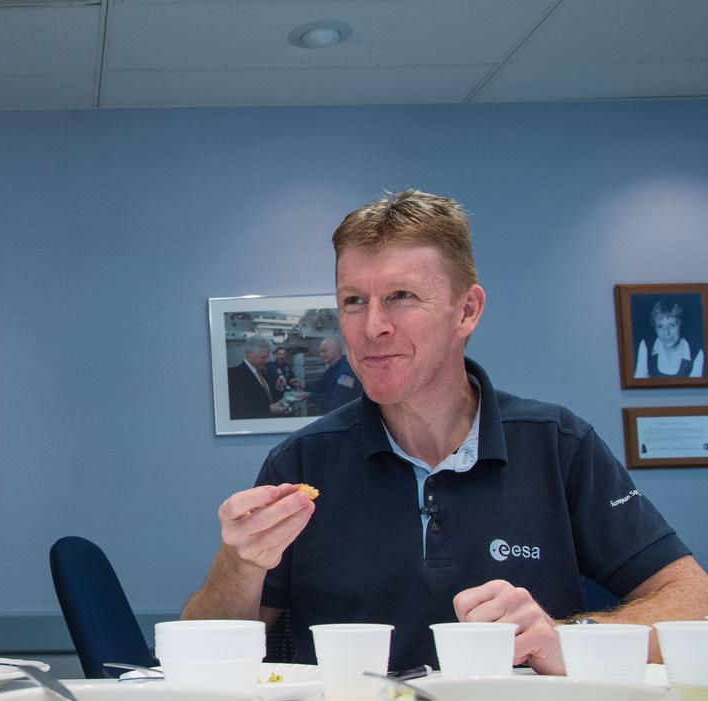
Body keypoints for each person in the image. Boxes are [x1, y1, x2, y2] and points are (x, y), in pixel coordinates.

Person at [183, 189, 708, 673]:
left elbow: (694, 602)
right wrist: (238, 564)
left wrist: (563, 638)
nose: (372, 328)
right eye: (353, 301)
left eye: (402, 296)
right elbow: (200, 654)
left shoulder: (557, 444)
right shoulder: (301, 463)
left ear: (467, 311)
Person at [634, 300, 705, 378]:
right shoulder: (646, 346)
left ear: (681, 325)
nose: (666, 333)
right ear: (655, 328)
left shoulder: (697, 352)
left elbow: (695, 389)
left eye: (672, 325)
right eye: (660, 326)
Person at [292, 336, 362, 414]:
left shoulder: (346, 373)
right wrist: (302, 386)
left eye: (324, 351)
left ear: (334, 351)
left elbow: (337, 405)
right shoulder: (331, 369)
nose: (321, 355)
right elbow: (319, 387)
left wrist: (309, 396)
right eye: (320, 352)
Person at [227, 335, 290, 419]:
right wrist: (269, 410)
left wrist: (278, 388)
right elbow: (239, 412)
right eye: (263, 357)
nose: (267, 360)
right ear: (250, 354)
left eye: (267, 357)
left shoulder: (261, 372)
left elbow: (266, 398)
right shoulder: (233, 376)